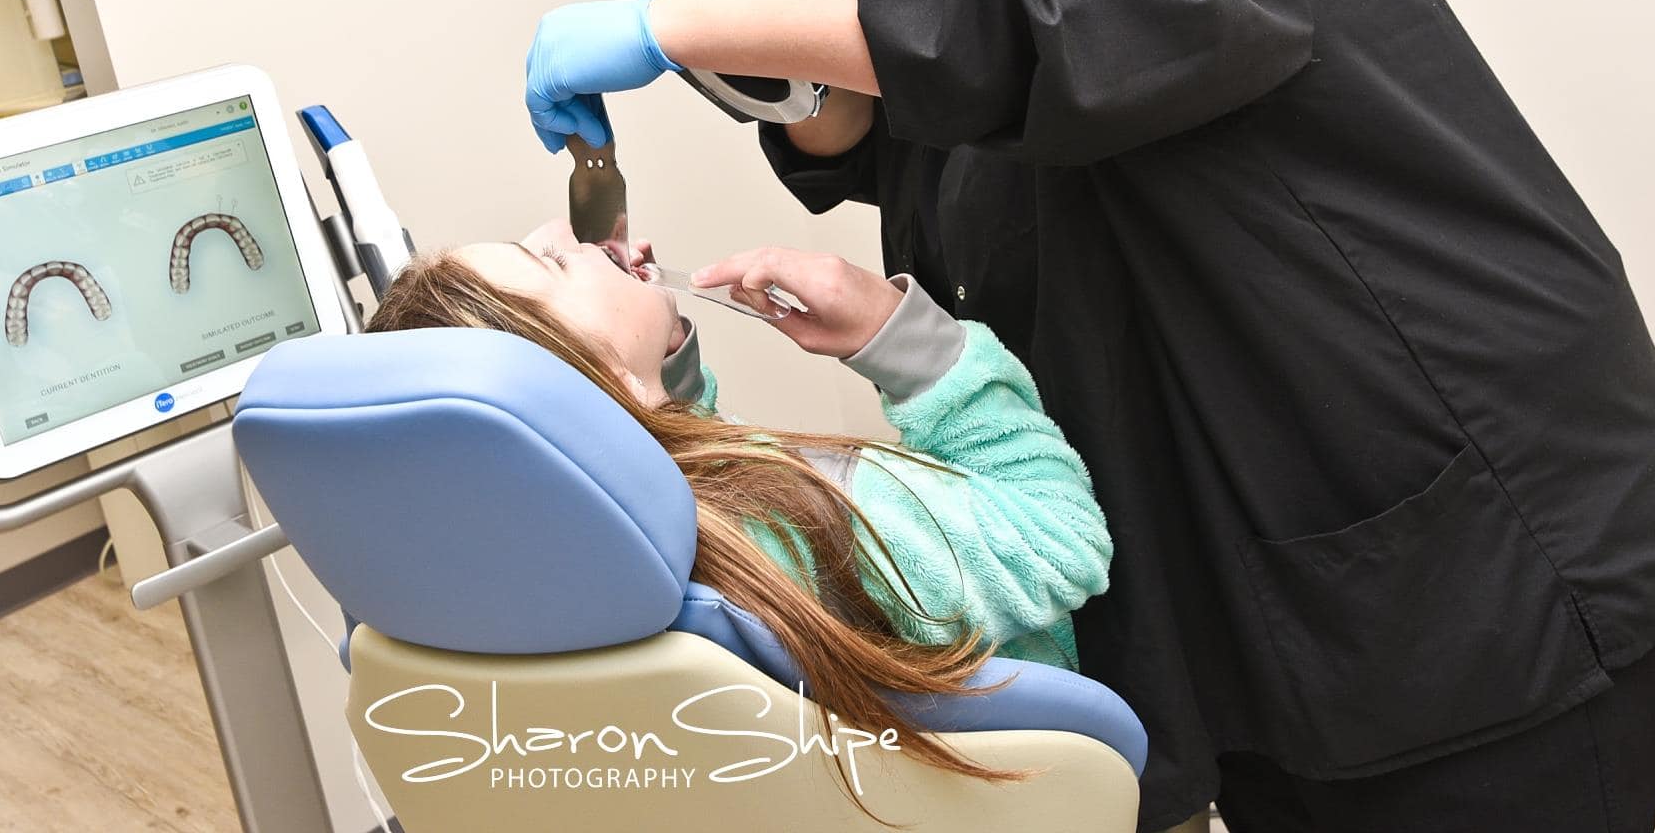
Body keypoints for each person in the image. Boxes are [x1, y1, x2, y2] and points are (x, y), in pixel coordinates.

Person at [520, 0, 1655, 832]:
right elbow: (927, 140)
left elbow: (1026, 25)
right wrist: (785, 53)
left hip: (1472, 546)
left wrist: (666, 25)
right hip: (1270, 590)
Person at [363, 227, 1113, 795]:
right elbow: (1059, 538)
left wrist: (660, 375)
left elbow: (668, 476)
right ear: (606, 378)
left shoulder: (549, 570)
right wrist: (903, 339)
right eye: (551, 262)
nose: (567, 233)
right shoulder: (817, 515)